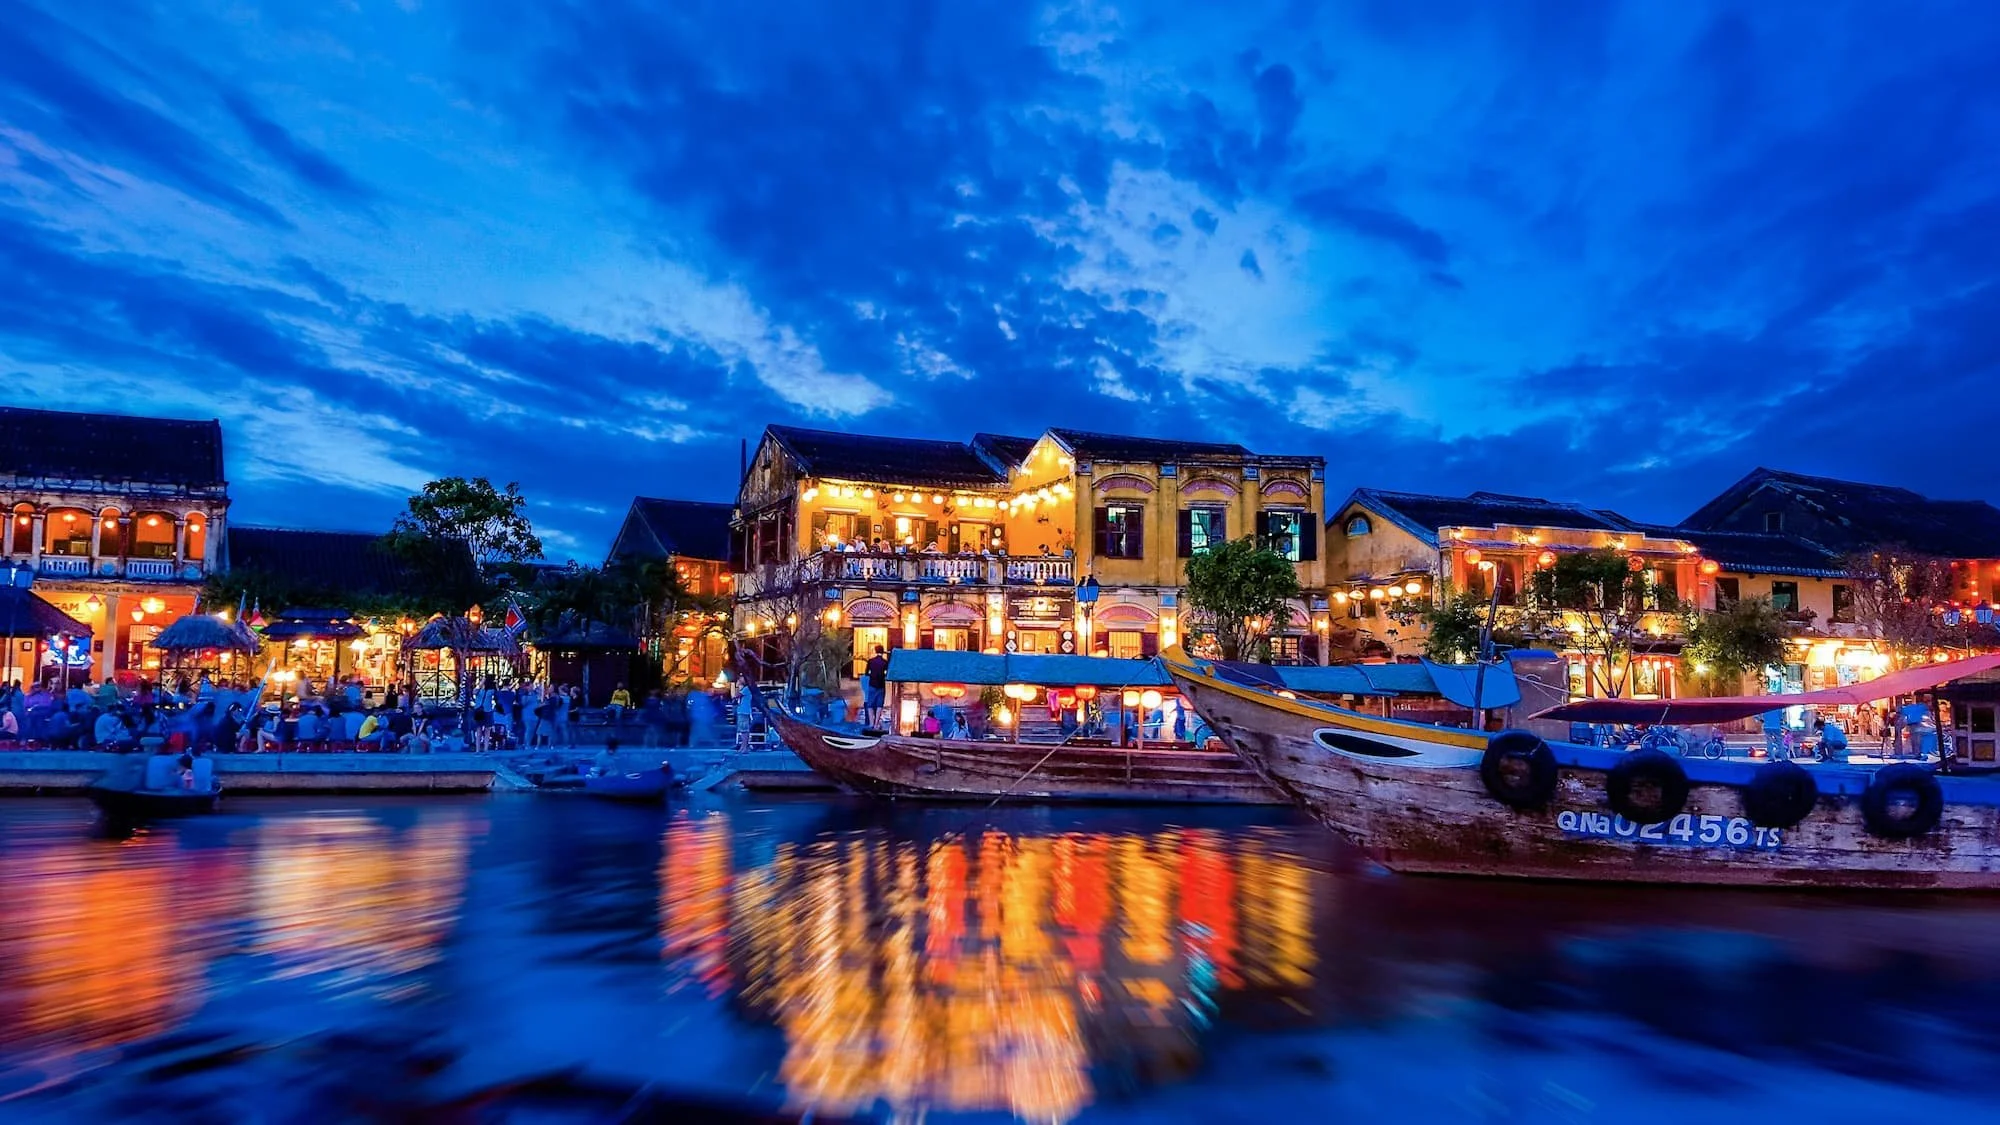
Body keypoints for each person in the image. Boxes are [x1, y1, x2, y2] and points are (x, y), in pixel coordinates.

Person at [863, 646, 888, 729]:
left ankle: (871, 723)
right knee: (879, 705)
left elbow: (866, 673)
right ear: (883, 652)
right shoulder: (885, 662)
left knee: (870, 704)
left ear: (875, 651)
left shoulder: (871, 661)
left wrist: (872, 674)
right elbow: (887, 673)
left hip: (872, 684)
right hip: (881, 685)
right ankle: (876, 724)